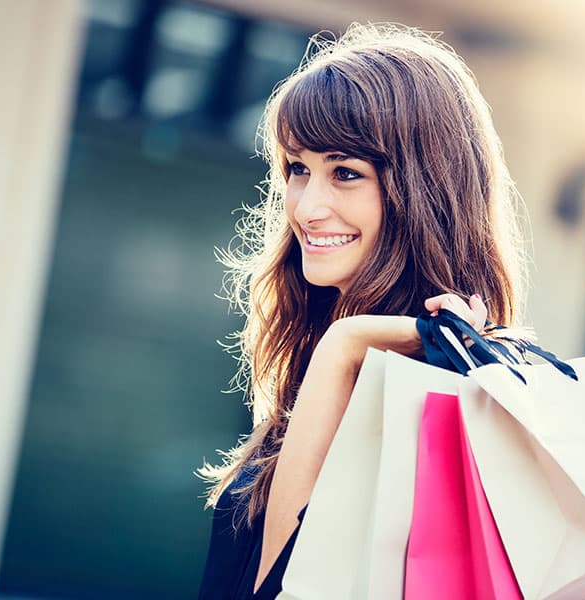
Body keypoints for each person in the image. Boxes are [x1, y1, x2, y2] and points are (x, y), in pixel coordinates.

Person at [196, 21, 526, 599]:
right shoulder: (330, 350)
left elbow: (278, 585)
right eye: (298, 169)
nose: (307, 206)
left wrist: (345, 347)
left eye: (346, 173)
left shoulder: (446, 390)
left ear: (424, 189)